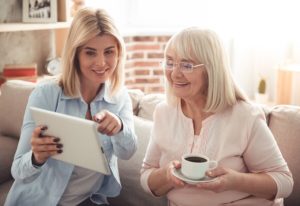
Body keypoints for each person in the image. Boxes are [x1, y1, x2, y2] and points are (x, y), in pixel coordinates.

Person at [140, 27, 293, 206]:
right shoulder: (163, 113)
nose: (174, 73)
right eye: (170, 62)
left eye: (187, 65)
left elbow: (284, 182)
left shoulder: (244, 116)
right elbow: (146, 176)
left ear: (211, 69)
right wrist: (166, 175)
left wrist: (233, 181)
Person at [5, 8, 137, 206]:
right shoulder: (46, 94)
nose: (101, 63)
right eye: (90, 53)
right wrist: (36, 158)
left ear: (119, 53)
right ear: (75, 54)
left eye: (109, 52)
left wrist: (120, 128)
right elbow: (17, 170)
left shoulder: (119, 97)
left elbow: (128, 152)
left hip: (89, 201)